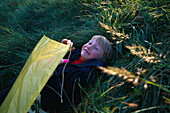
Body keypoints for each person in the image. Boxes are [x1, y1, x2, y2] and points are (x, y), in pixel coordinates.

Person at [0, 35, 113, 112]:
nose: (89, 46)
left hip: (45, 98)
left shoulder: (87, 72)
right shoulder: (76, 54)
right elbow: (57, 58)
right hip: (32, 84)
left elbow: (68, 98)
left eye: (96, 49)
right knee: (9, 94)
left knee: (10, 101)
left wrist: (52, 75)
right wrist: (63, 48)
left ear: (101, 60)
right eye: (89, 42)